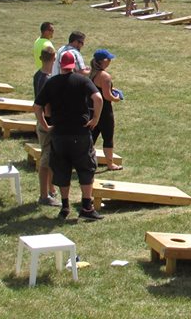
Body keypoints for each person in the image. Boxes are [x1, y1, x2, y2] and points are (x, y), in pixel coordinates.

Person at [34, 50, 104, 220]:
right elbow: (98, 98)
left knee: (62, 169)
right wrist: (95, 118)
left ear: (59, 65)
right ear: (73, 65)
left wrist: (44, 124)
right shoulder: (82, 80)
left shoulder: (52, 82)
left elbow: (37, 106)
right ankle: (87, 207)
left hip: (59, 134)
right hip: (80, 133)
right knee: (86, 168)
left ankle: (65, 206)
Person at [33, 46, 61, 207]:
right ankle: (44, 196)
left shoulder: (38, 74)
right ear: (54, 58)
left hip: (42, 121)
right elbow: (46, 106)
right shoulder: (48, 79)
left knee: (50, 157)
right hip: (47, 122)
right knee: (46, 159)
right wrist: (48, 124)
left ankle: (51, 189)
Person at [89, 49, 123, 170]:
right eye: (108, 59)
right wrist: (117, 98)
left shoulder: (91, 73)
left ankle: (82, 162)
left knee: (90, 137)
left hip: (92, 110)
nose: (110, 61)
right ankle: (110, 164)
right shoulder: (105, 76)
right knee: (108, 137)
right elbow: (107, 96)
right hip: (105, 111)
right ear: (103, 61)